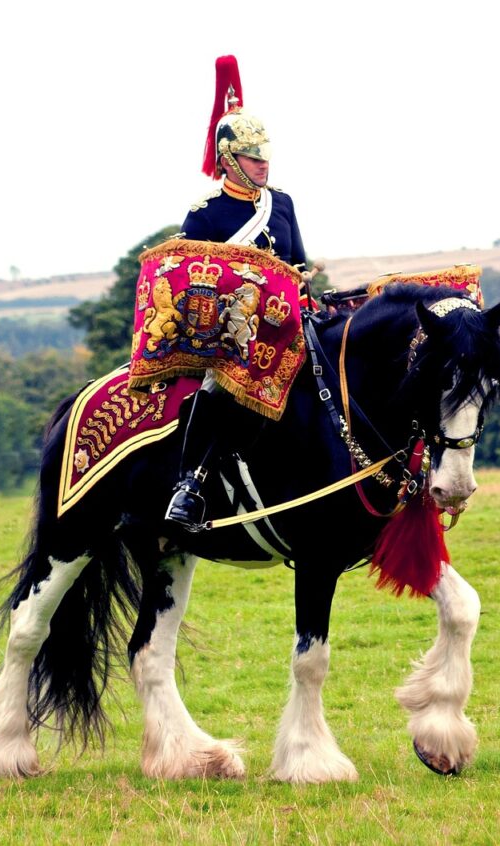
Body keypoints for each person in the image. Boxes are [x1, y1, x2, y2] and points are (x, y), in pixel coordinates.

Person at [166, 54, 309, 531]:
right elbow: (190, 283)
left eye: (265, 156)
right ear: (229, 160)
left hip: (286, 324)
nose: (263, 164)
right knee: (217, 389)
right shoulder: (205, 213)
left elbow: (297, 265)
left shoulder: (281, 203)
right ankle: (191, 483)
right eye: (253, 157)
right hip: (232, 336)